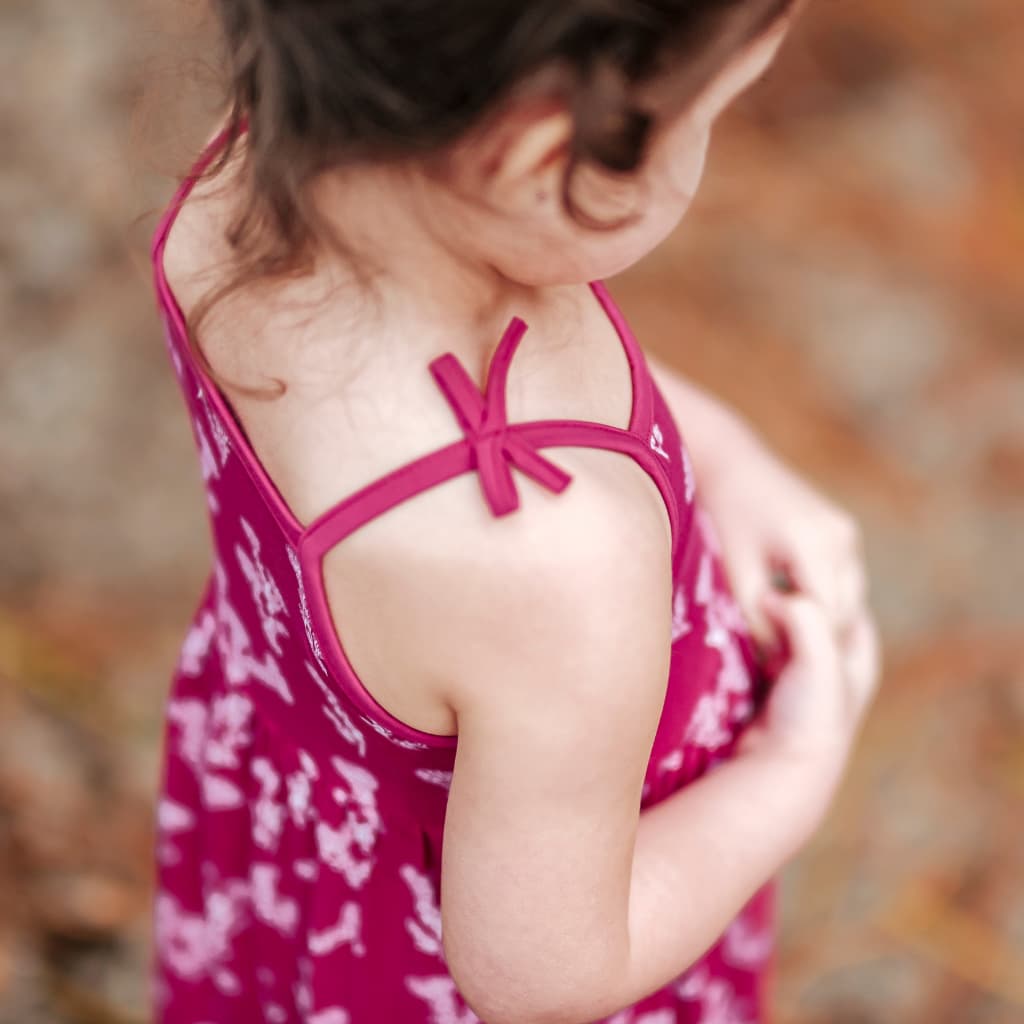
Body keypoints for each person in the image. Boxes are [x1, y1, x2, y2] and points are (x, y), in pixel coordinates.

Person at [149, 1, 880, 1021]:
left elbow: (502, 375)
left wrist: (724, 458)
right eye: (708, 114)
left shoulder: (260, 170)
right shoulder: (551, 563)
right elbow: (549, 971)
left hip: (307, 834)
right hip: (501, 910)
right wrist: (792, 768)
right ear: (539, 154)